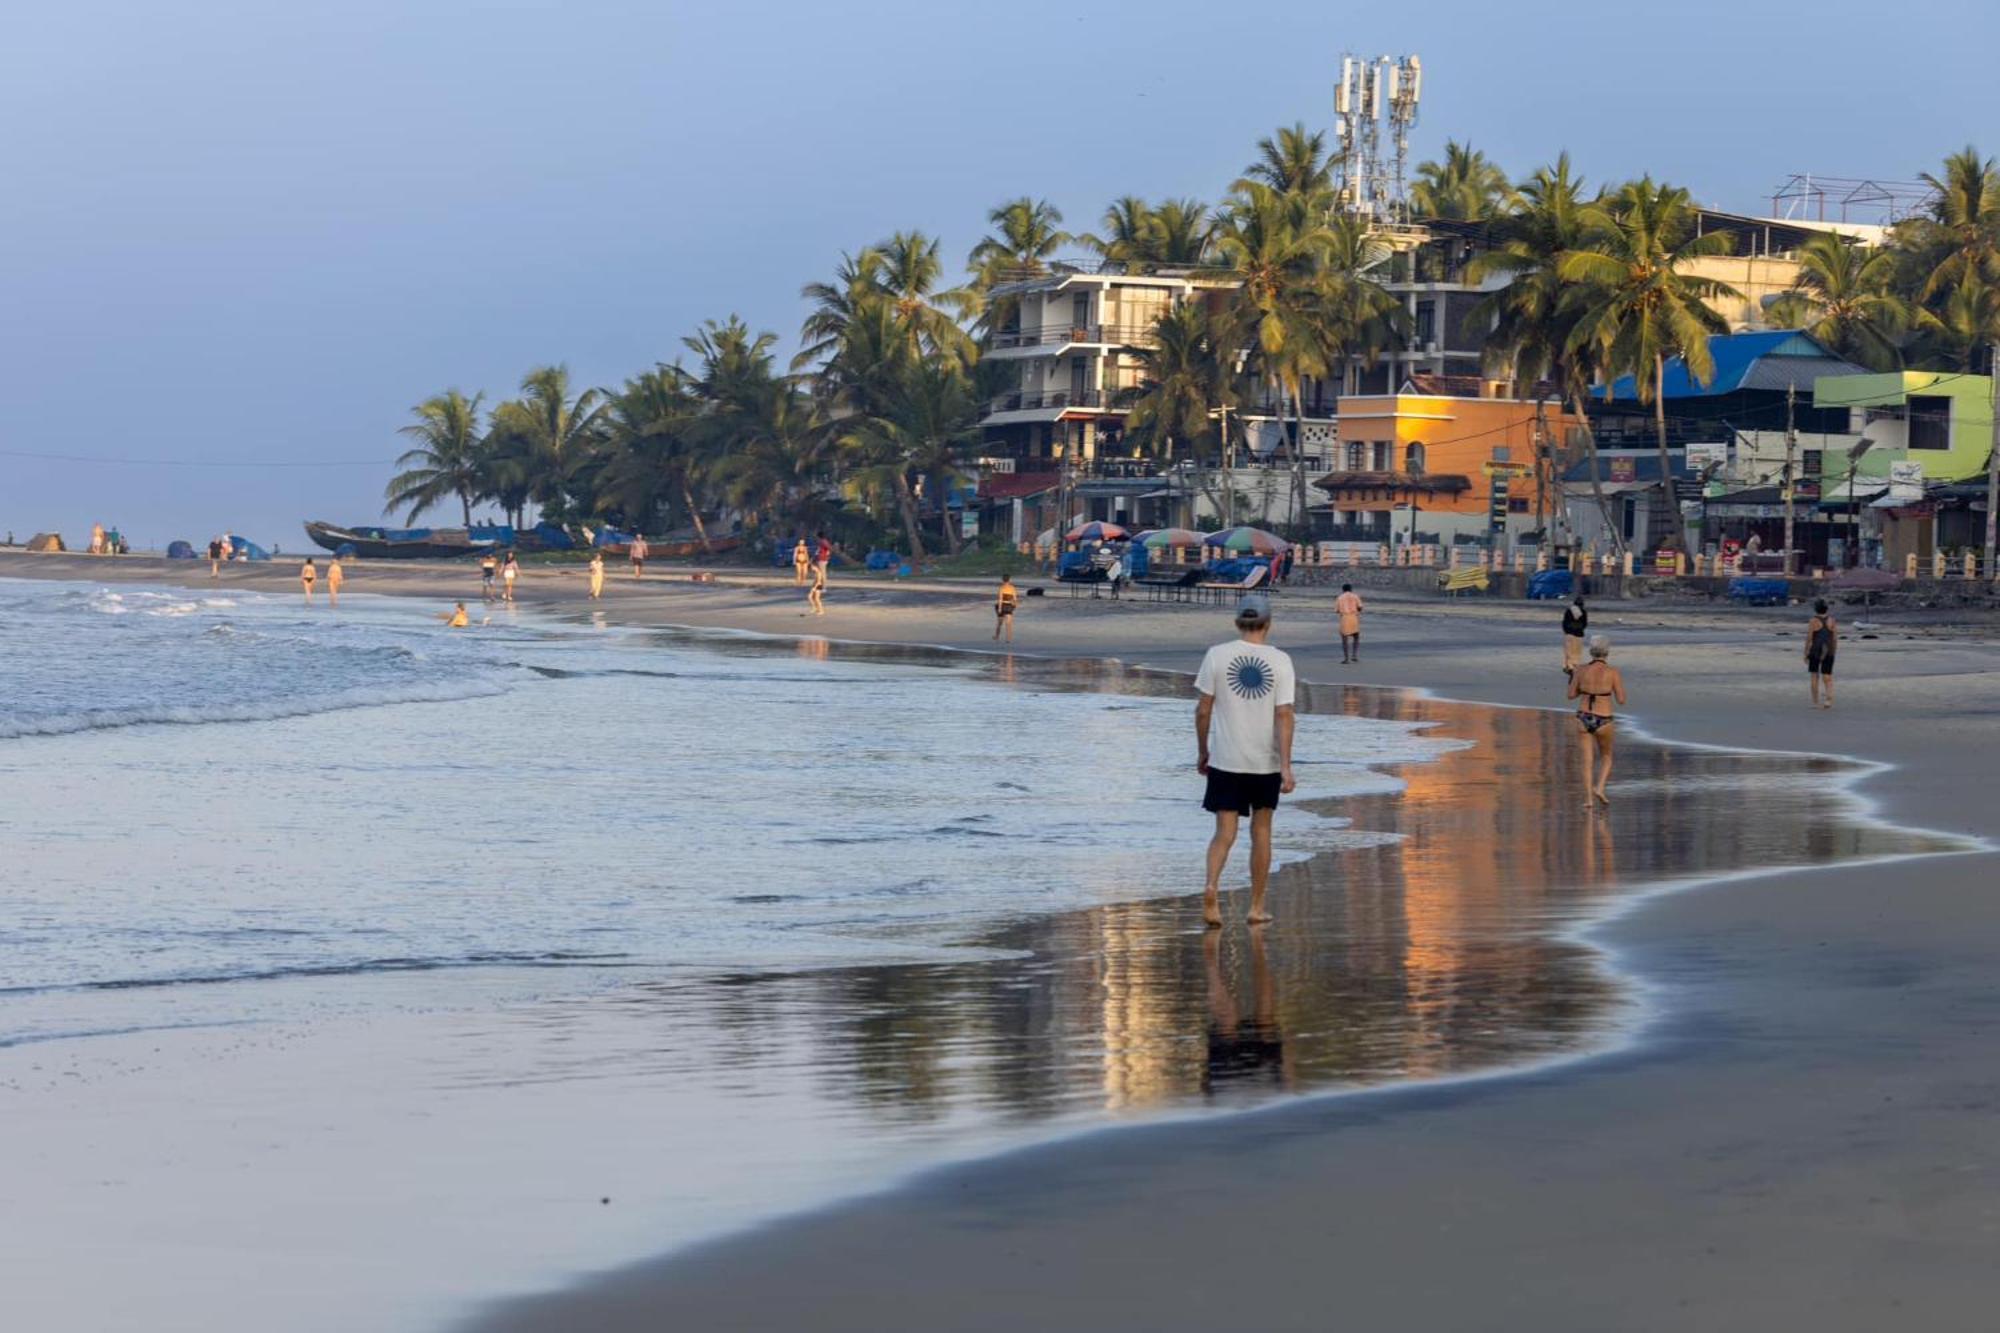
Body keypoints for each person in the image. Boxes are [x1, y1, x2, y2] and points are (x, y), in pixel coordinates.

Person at [1194, 592, 1297, 928]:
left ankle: (1211, 886)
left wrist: (1203, 751)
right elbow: (1284, 715)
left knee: (1224, 832)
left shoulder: (1216, 655)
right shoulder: (1280, 660)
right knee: (1262, 830)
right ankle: (1256, 906)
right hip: (1263, 762)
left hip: (1226, 759)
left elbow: (1203, 710)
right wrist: (1285, 765)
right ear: (1268, 624)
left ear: (1238, 622)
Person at [1567, 635, 1626, 811]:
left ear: (1591, 651)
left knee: (1587, 760)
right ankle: (1599, 787)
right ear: (1607, 652)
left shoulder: (1581, 670)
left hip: (1584, 716)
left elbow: (1570, 695)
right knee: (1606, 756)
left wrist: (1582, 686)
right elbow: (1621, 699)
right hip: (1604, 718)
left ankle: (1588, 800)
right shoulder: (1613, 672)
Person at [1807, 598, 1839, 709]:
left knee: (1814, 676)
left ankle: (1816, 702)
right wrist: (1834, 651)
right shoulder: (1832, 620)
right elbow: (1834, 638)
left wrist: (1806, 652)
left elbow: (1810, 638)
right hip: (1829, 650)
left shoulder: (1813, 621)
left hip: (1816, 650)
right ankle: (1828, 700)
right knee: (1827, 676)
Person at [1335, 583, 1365, 664]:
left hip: (1344, 618)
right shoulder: (1355, 596)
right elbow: (1360, 607)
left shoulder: (1340, 597)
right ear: (1351, 589)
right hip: (1354, 617)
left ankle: (1346, 659)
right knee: (1356, 636)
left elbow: (1337, 610)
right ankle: (1354, 655)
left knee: (1344, 639)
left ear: (1343, 590)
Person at [1562, 592, 1588, 676]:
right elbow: (1585, 623)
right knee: (1577, 651)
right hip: (1579, 634)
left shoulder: (1569, 611)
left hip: (1569, 633)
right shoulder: (1583, 612)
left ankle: (1569, 666)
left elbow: (1564, 622)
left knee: (1569, 651)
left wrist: (1566, 631)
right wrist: (1580, 629)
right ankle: (1576, 665)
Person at [994, 574, 1019, 642]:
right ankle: (1009, 638)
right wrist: (1015, 605)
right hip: (1009, 606)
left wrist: (999, 608)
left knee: (1000, 623)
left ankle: (997, 636)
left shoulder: (1001, 588)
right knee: (1009, 624)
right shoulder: (1012, 588)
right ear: (1009, 579)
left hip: (1002, 605)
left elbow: (1000, 599)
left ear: (1002, 580)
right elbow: (1015, 598)